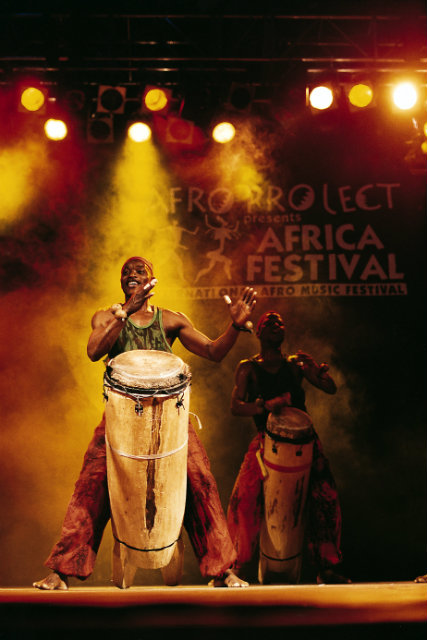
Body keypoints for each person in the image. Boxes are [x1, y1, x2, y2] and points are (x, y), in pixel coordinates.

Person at [33, 256, 257, 590]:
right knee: (91, 485)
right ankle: (61, 572)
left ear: (152, 280)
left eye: (139, 271)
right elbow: (94, 351)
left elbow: (213, 351)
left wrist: (235, 327)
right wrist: (125, 312)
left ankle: (223, 570)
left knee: (200, 482)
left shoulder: (170, 320)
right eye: (126, 272)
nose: (132, 274)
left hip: (171, 417)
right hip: (120, 416)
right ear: (122, 282)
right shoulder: (107, 317)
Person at [226, 310, 350, 585]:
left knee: (325, 498)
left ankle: (327, 567)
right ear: (257, 332)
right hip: (264, 440)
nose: (274, 323)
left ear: (284, 333)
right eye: (267, 322)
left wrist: (318, 371)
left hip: (305, 442)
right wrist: (263, 406)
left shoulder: (296, 365)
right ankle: (236, 567)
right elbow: (235, 406)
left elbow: (330, 388)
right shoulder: (247, 368)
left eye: (279, 322)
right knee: (244, 500)